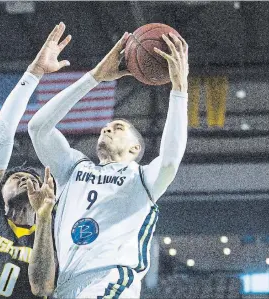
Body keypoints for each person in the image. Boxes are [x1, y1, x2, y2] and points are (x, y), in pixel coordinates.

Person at [28, 22, 189, 298]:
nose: (107, 128)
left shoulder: (143, 178)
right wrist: (94, 77)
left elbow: (171, 160)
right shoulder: (74, 169)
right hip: (66, 284)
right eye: (106, 126)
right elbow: (37, 128)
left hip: (111, 280)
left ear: (135, 148)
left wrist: (179, 90)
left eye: (118, 127)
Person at [0, 24, 71, 299]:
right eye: (15, 177)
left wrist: (43, 219)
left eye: (34, 179)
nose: (26, 178)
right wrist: (34, 73)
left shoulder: (53, 235)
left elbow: (43, 288)